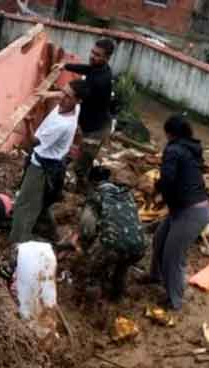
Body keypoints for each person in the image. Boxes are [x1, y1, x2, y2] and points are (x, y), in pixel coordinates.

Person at [9, 79, 89, 244]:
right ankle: (48, 232)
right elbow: (62, 95)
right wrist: (48, 94)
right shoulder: (75, 107)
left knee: (24, 205)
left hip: (42, 168)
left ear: (77, 100)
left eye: (67, 96)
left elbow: (33, 142)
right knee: (40, 201)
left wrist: (28, 122)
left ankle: (17, 242)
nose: (62, 97)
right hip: (53, 164)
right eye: (63, 92)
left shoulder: (63, 125)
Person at [145, 115, 209, 311]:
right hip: (188, 208)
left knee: (173, 256)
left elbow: (168, 180)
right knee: (159, 240)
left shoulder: (173, 150)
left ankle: (175, 301)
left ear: (169, 133)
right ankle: (154, 276)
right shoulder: (190, 148)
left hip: (190, 212)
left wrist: (156, 190)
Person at [62, 167, 146, 301]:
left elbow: (87, 229)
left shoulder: (96, 196)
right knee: (121, 268)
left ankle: (90, 310)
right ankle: (117, 298)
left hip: (114, 245)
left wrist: (84, 247)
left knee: (93, 272)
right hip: (139, 246)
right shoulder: (126, 194)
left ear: (93, 182)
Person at [62, 39, 115, 191]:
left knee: (80, 167)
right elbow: (87, 69)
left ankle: (81, 193)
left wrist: (53, 93)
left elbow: (77, 93)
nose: (92, 56)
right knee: (82, 158)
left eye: (97, 55)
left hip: (96, 131)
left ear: (107, 58)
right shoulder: (99, 68)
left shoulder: (101, 79)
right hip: (92, 124)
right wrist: (66, 66)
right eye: (92, 52)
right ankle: (83, 181)